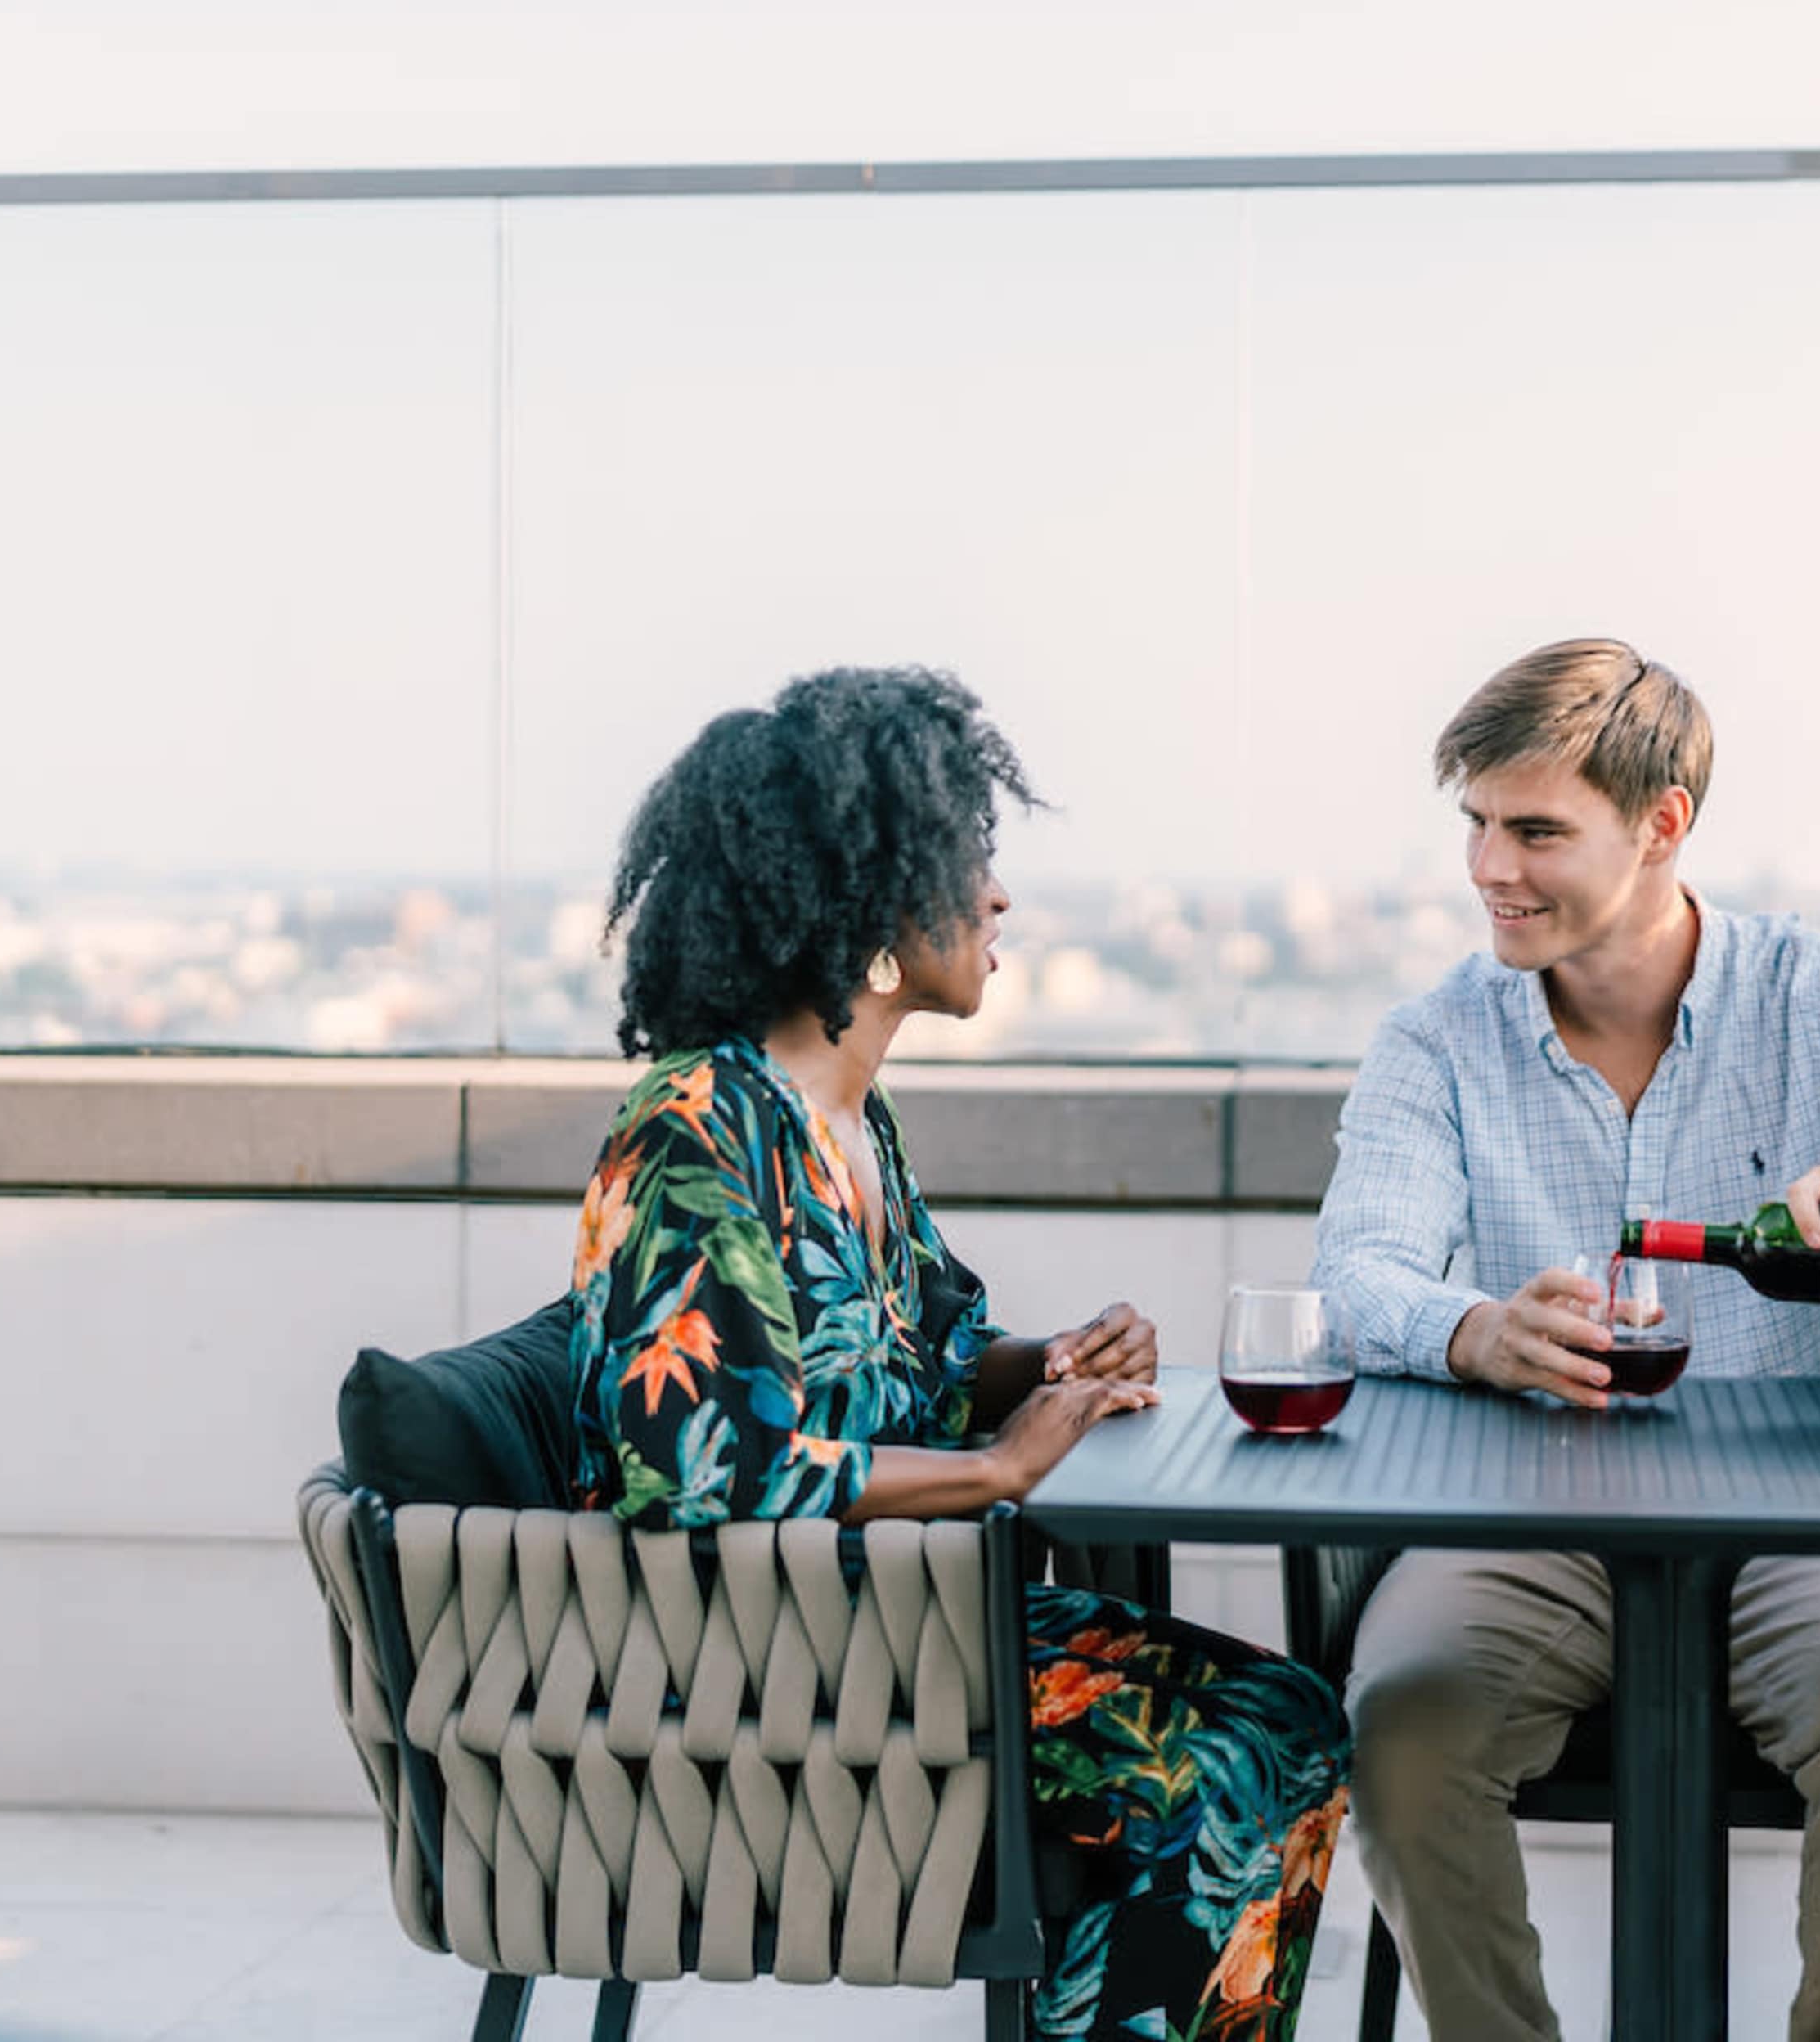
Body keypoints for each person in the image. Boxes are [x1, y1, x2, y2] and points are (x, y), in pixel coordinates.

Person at [1310, 640, 1820, 2042]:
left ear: (1661, 825)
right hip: (1530, 1513)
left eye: (1534, 830)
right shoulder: (1437, 1043)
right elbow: (1356, 1276)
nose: (1488, 869)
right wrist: (1474, 1330)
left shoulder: (1817, 1002)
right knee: (1401, 1731)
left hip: (1809, 1520)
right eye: (1477, 825)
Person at [571, 665, 1351, 2042]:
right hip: (778, 1673)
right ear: (874, 914)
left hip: (911, 1630)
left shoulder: (849, 1125)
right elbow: (700, 1469)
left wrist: (1053, 1361)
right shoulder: (699, 1130)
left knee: (1291, 1710)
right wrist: (999, 1468)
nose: (997, 897)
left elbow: (923, 1352)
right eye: (968, 859)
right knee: (1229, 1756)